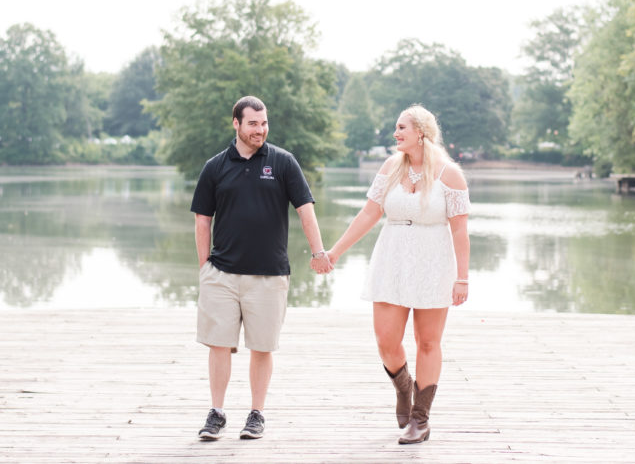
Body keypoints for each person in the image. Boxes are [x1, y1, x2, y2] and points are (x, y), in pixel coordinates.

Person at [326, 105, 470, 445]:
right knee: (386, 341)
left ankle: (421, 418)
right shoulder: (391, 167)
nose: (396, 133)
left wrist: (462, 278)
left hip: (434, 260)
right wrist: (335, 251)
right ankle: (405, 387)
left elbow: (460, 231)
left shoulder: (450, 175)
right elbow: (369, 213)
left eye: (401, 127)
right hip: (391, 259)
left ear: (420, 131)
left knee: (428, 341)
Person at [191, 95, 333, 441]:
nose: (260, 129)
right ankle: (217, 412)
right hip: (222, 274)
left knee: (262, 347)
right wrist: (204, 267)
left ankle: (256, 414)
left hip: (269, 275)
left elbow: (305, 209)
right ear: (236, 124)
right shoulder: (215, 167)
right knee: (218, 344)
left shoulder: (283, 163)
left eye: (264, 123)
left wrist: (318, 251)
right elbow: (202, 220)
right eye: (253, 123)